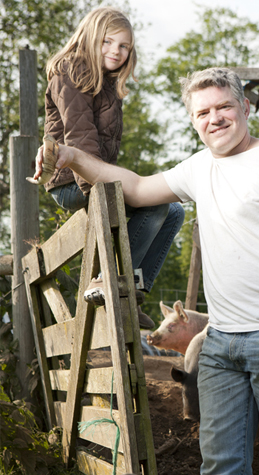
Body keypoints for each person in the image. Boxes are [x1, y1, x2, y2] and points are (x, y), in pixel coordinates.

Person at [33, 67, 259, 475]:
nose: (215, 119)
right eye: (203, 112)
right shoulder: (198, 168)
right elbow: (133, 186)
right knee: (221, 463)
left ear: (244, 108)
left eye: (224, 107)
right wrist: (70, 155)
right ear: (193, 120)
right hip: (221, 345)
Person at [42, 6, 185, 328]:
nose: (116, 52)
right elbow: (80, 139)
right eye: (108, 42)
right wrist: (102, 194)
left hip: (92, 175)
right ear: (92, 38)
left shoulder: (106, 82)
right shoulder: (70, 73)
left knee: (174, 210)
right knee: (157, 204)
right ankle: (106, 278)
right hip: (70, 181)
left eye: (124, 47)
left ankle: (132, 292)